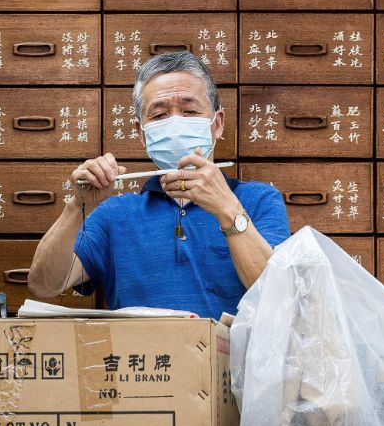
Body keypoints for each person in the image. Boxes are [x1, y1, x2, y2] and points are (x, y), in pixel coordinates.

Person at [29, 51, 291, 319]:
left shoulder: (259, 200)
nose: (175, 122)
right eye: (159, 115)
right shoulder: (114, 214)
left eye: (190, 111)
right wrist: (77, 206)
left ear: (218, 124)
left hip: (232, 361)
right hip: (142, 360)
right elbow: (43, 285)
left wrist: (227, 209)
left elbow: (278, 295)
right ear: (140, 133)